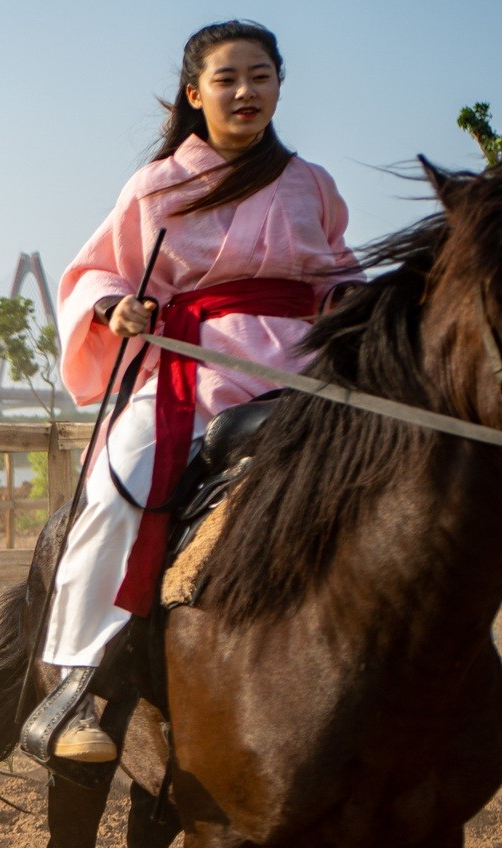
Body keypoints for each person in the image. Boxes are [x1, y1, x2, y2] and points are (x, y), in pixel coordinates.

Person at [39, 20, 359, 761]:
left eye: (261, 75)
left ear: (280, 85)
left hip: (303, 372)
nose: (246, 90)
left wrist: (349, 301)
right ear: (195, 93)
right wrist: (114, 307)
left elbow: (339, 269)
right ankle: (77, 687)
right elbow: (97, 270)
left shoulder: (313, 183)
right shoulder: (157, 185)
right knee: (120, 483)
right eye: (227, 78)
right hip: (190, 364)